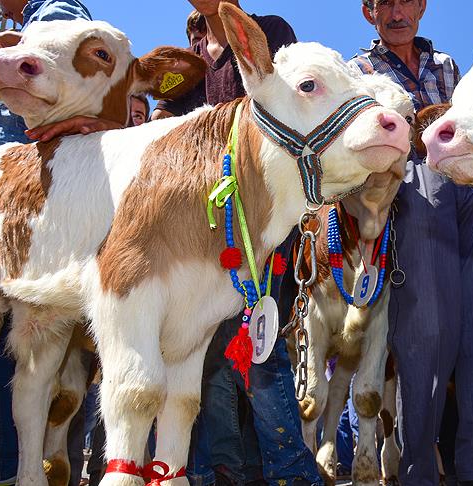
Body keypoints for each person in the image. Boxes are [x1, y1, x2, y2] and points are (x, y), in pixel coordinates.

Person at [153, 3, 322, 486]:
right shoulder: (188, 61)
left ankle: (290, 472)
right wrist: (164, 108)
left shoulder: (268, 32)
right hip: (198, 235)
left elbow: (289, 115)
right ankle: (222, 471)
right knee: (203, 358)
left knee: (260, 352)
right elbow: (171, 130)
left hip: (261, 227)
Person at [352, 1, 473, 485]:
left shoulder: (448, 66)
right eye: (384, 3)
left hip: (470, 184)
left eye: (407, 1)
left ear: (421, 7)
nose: (397, 12)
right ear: (368, 11)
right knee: (426, 336)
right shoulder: (358, 69)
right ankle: (418, 469)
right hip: (411, 190)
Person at [0, 2, 92, 485]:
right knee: (2, 336)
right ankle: (4, 465)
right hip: (26, 187)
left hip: (6, 185)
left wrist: (19, 50)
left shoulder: (54, 8)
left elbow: (53, 51)